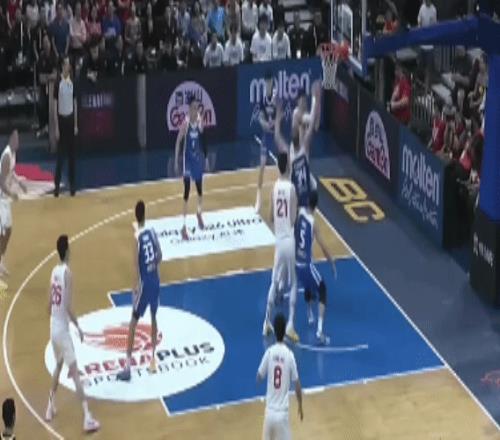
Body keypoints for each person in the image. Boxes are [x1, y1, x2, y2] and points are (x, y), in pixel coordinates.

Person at [45, 235, 100, 432]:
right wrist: (78, 327)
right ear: (67, 251)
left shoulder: (53, 271)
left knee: (59, 365)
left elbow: (48, 305)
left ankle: (49, 407)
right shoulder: (68, 274)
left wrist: (56, 315)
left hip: (53, 328)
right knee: (75, 372)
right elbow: (68, 307)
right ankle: (87, 417)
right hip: (62, 330)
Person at [117, 200, 162, 380]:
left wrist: (135, 288)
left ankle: (127, 368)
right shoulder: (152, 232)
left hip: (144, 284)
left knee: (133, 323)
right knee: (153, 317)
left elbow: (136, 265)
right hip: (156, 280)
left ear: (136, 217)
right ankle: (153, 360)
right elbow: (160, 256)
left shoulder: (137, 237)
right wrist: (152, 267)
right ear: (145, 214)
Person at [262, 152, 299, 342]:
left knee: (274, 282)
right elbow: (293, 219)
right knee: (293, 282)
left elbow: (269, 216)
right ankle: (290, 324)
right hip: (289, 241)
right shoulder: (291, 188)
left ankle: (266, 322)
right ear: (289, 167)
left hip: (278, 241)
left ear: (278, 167)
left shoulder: (274, 187)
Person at [295, 190, 336, 344]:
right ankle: (319, 331)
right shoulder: (313, 223)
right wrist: (332, 262)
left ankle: (309, 313)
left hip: (296, 263)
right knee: (323, 289)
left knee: (308, 284)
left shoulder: (300, 214)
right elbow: (323, 246)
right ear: (316, 205)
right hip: (306, 264)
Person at [257, 313, 303, 439]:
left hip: (269, 413)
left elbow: (259, 376)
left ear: (274, 332)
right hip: (282, 415)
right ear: (285, 333)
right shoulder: (289, 355)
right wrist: (300, 405)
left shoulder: (269, 352)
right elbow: (297, 384)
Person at [277, 81, 321, 208]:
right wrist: (316, 99)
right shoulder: (297, 113)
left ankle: (305, 208)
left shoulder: (306, 112)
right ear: (297, 101)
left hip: (304, 153)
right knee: (299, 182)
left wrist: (318, 102)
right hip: (297, 153)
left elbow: (316, 125)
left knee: (312, 185)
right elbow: (311, 120)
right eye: (301, 99)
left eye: (304, 98)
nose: (303, 101)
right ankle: (291, 203)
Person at [175, 96, 208, 239]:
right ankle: (183, 226)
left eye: (197, 108)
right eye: (194, 107)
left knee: (200, 190)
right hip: (187, 161)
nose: (196, 110)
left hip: (197, 161)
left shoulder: (199, 121)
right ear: (189, 109)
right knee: (187, 191)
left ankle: (199, 213)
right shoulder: (186, 124)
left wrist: (205, 158)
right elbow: (178, 141)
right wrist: (176, 160)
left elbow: (203, 137)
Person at [0, 130, 27, 276]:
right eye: (16, 139)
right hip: (1, 198)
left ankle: (0, 261)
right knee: (3, 232)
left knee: (8, 231)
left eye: (19, 139)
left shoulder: (13, 154)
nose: (18, 142)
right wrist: (12, 194)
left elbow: (12, 172)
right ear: (10, 139)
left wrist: (20, 183)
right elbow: (1, 182)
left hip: (5, 199)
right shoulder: (6, 156)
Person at [54, 56, 78, 197]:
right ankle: (57, 185)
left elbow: (75, 103)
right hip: (61, 121)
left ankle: (72, 185)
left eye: (69, 64)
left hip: (70, 121)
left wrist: (75, 124)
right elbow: (55, 106)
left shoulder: (72, 82)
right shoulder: (58, 83)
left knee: (72, 156)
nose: (69, 66)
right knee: (60, 156)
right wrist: (56, 127)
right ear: (63, 66)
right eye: (67, 64)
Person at [255, 71, 278, 212]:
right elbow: (260, 118)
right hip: (266, 136)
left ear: (272, 82)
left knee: (282, 167)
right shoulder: (263, 100)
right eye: (266, 82)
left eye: (269, 82)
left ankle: (281, 195)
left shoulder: (277, 97)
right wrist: (265, 124)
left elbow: (281, 115)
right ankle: (258, 198)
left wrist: (275, 122)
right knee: (262, 165)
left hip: (276, 136)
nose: (268, 85)